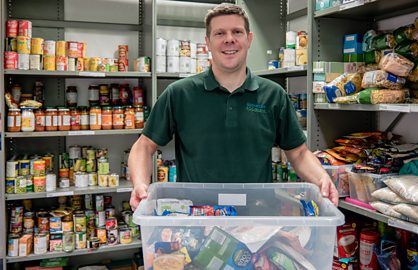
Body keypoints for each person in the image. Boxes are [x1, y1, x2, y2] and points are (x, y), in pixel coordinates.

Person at [129, 3, 338, 210]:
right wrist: (140, 184)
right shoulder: (180, 93)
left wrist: (322, 179)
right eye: (220, 33)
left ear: (249, 39)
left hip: (257, 217)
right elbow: (144, 146)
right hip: (199, 219)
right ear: (208, 43)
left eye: (237, 31)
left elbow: (299, 153)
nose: (229, 39)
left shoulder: (273, 95)